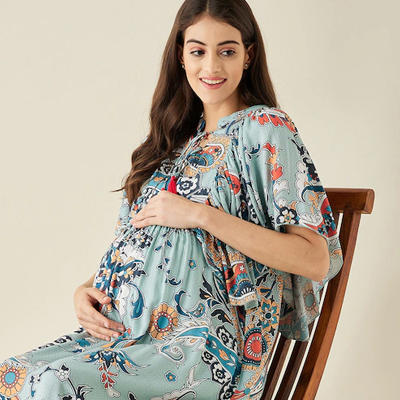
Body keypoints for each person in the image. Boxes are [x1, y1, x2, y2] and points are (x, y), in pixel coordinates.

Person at [0, 0, 343, 399]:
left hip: (197, 351)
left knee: (51, 383)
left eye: (227, 51)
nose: (211, 66)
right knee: (11, 375)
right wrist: (86, 290)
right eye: (198, 51)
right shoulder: (172, 141)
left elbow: (316, 259)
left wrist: (201, 215)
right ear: (181, 56)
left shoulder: (265, 128)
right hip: (122, 336)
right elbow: (138, 243)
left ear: (248, 56)